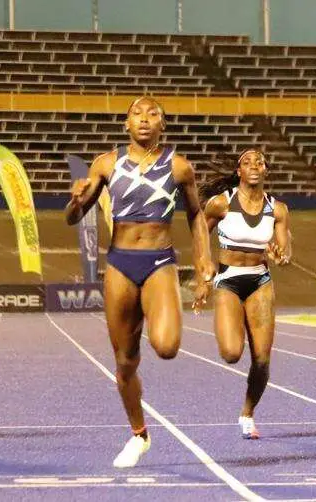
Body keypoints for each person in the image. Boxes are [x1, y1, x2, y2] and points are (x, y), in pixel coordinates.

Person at [64, 96, 214, 467]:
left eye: (152, 114)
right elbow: (73, 217)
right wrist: (75, 201)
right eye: (137, 113)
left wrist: (203, 261)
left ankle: (151, 318)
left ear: (163, 124)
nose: (144, 119)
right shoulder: (106, 163)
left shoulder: (179, 167)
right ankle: (139, 435)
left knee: (166, 346)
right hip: (120, 264)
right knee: (125, 361)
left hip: (159, 262)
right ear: (125, 124)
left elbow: (196, 215)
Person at [200, 148, 291, 439]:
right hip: (228, 279)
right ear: (239, 171)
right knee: (231, 353)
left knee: (262, 361)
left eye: (259, 162)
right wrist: (203, 271)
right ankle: (234, 319)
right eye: (247, 162)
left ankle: (247, 414)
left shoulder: (278, 209)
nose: (254, 165)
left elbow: (285, 250)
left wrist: (281, 256)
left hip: (260, 281)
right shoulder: (221, 203)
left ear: (265, 171)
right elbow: (200, 232)